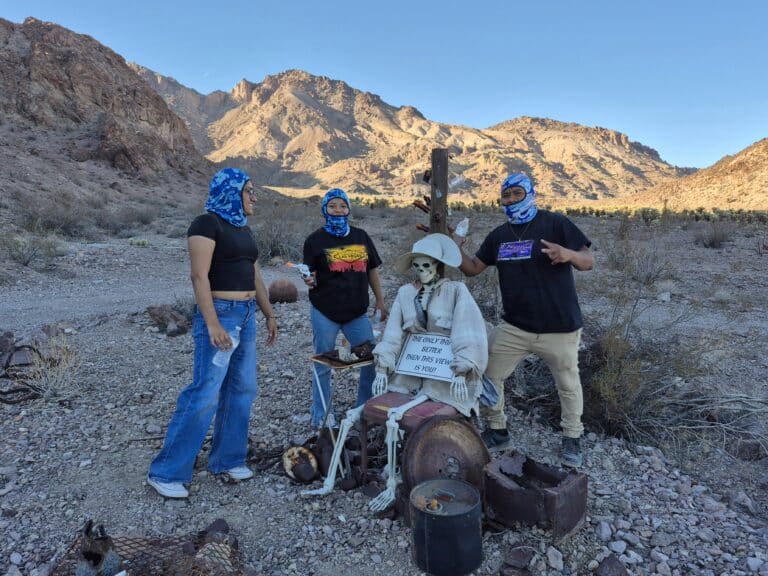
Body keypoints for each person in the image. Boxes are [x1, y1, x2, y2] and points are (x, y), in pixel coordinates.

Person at [147, 168, 278, 498]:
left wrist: (269, 313)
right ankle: (166, 472)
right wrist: (212, 324)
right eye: (249, 190)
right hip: (221, 313)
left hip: (245, 316)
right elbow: (199, 277)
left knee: (243, 388)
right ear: (231, 192)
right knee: (205, 391)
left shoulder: (242, 228)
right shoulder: (206, 224)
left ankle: (227, 459)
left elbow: (255, 275)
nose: (254, 196)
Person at [455, 172, 594, 467]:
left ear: (530, 193)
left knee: (568, 385)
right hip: (515, 327)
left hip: (560, 327)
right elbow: (473, 268)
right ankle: (498, 430)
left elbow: (588, 261)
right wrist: (455, 246)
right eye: (505, 196)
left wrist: (567, 253)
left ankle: (572, 439)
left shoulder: (554, 223)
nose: (511, 200)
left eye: (517, 193)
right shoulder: (499, 236)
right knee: (488, 373)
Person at [303, 188, 387, 428]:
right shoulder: (314, 240)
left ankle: (364, 409)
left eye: (342, 205)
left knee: (371, 358)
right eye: (332, 206)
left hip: (356, 312)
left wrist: (380, 300)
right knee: (323, 360)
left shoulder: (361, 236)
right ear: (324, 209)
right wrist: (308, 279)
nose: (338, 210)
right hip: (324, 311)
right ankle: (322, 414)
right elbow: (310, 274)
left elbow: (372, 269)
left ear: (349, 208)